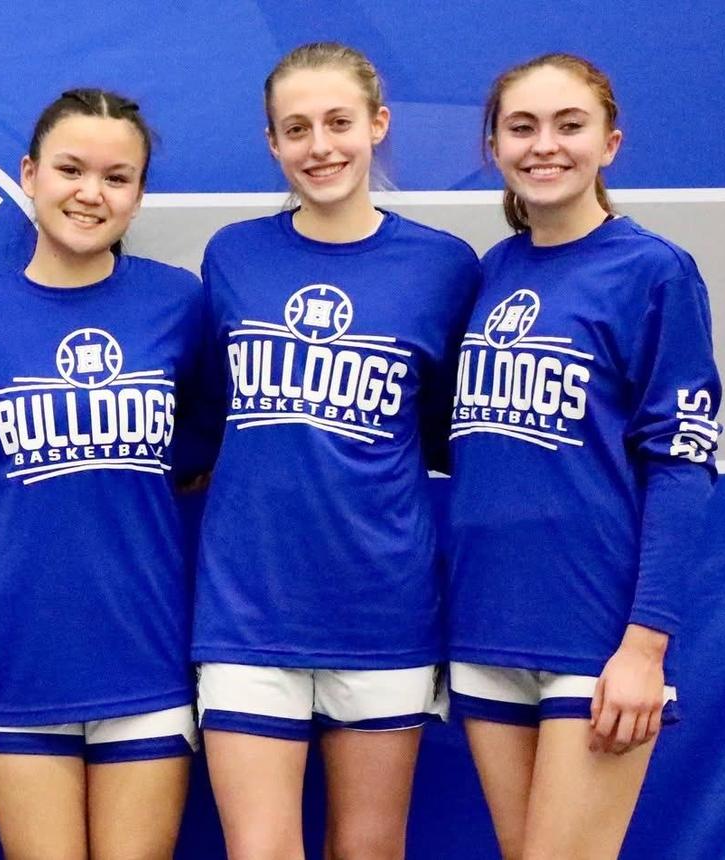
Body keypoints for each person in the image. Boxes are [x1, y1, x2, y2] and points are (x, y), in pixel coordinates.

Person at [192, 42, 481, 859]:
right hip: (248, 610)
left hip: (381, 605)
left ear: (377, 126)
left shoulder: (442, 267)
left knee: (369, 847)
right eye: (297, 128)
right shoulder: (234, 256)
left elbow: (451, 431)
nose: (320, 146)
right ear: (272, 143)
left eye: (338, 123)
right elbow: (212, 412)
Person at [447, 52, 722, 860]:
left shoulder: (654, 271)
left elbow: (680, 463)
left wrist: (645, 647)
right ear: (493, 146)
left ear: (611, 143)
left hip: (595, 640)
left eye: (571, 126)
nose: (545, 146)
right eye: (522, 127)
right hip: (486, 626)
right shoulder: (488, 274)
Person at [0, 88, 206, 860]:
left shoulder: (179, 305)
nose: (91, 193)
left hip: (146, 652)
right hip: (19, 654)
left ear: (140, 194)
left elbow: (200, 452)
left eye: (117, 177)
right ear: (30, 173)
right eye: (71, 169)